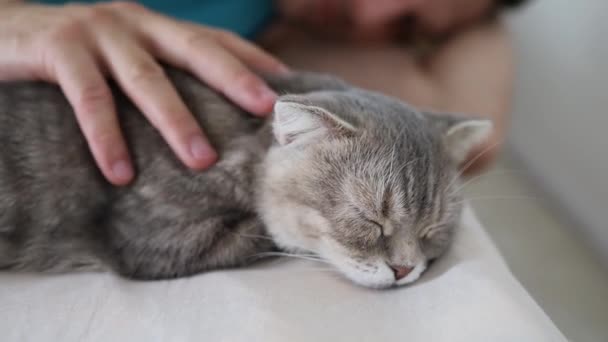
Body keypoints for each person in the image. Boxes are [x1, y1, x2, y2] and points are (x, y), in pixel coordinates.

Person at [0, 0, 527, 185]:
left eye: (407, 28)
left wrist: (478, 19)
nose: (370, 13)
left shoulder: (275, 29)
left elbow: (477, 133)